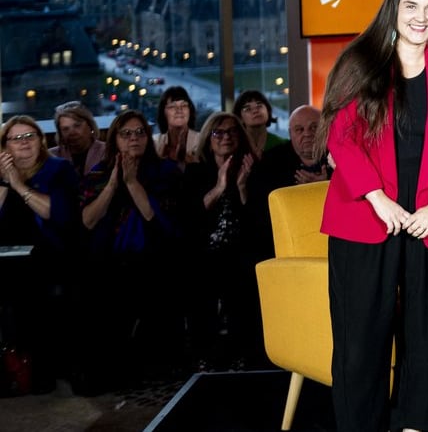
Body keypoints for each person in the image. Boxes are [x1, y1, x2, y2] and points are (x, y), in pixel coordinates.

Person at [319, 0, 428, 432]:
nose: (421, 17)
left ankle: (413, 425)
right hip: (366, 216)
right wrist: (378, 198)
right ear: (394, 9)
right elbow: (341, 139)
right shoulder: (360, 64)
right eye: (411, 6)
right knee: (360, 340)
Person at [76, 110, 182, 387]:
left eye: (139, 132)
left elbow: (156, 219)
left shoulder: (166, 171)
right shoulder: (98, 174)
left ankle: (153, 367)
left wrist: (132, 183)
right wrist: (113, 184)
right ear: (115, 139)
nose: (134, 138)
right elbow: (87, 221)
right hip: (108, 259)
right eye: (126, 134)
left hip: (154, 258)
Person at [0, 115, 79, 394]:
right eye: (16, 138)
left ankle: (37, 370)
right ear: (4, 147)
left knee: (30, 290)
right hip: (7, 260)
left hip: (49, 256)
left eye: (29, 136)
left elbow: (55, 213)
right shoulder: (1, 174)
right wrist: (5, 181)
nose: (23, 143)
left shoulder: (58, 170)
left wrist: (19, 185)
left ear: (41, 141)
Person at [182, 111, 258, 368]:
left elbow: (257, 223)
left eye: (232, 131)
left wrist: (242, 187)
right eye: (218, 132)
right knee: (199, 278)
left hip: (240, 252)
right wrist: (219, 188)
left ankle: (242, 356)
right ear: (208, 138)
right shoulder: (195, 172)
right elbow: (189, 217)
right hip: (204, 252)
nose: (226, 137)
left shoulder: (250, 169)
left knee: (243, 277)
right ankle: (205, 357)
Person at [247, 105, 329, 263]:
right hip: (285, 242)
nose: (307, 134)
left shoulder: (339, 158)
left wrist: (325, 187)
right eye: (299, 130)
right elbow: (259, 213)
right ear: (290, 134)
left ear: (325, 129)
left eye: (314, 127)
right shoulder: (271, 163)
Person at [50, 101, 107, 175]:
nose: (72, 133)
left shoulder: (107, 151)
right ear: (60, 134)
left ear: (90, 126)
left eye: (77, 126)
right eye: (65, 129)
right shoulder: (51, 156)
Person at [155, 86, 199, 169]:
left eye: (184, 105)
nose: (179, 110)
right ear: (163, 113)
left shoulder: (201, 142)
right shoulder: (154, 143)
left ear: (190, 110)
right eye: (172, 106)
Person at [234, 89, 286, 158]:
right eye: (248, 109)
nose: (255, 111)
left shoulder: (284, 145)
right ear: (240, 118)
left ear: (268, 111)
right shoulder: (234, 147)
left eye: (259, 106)